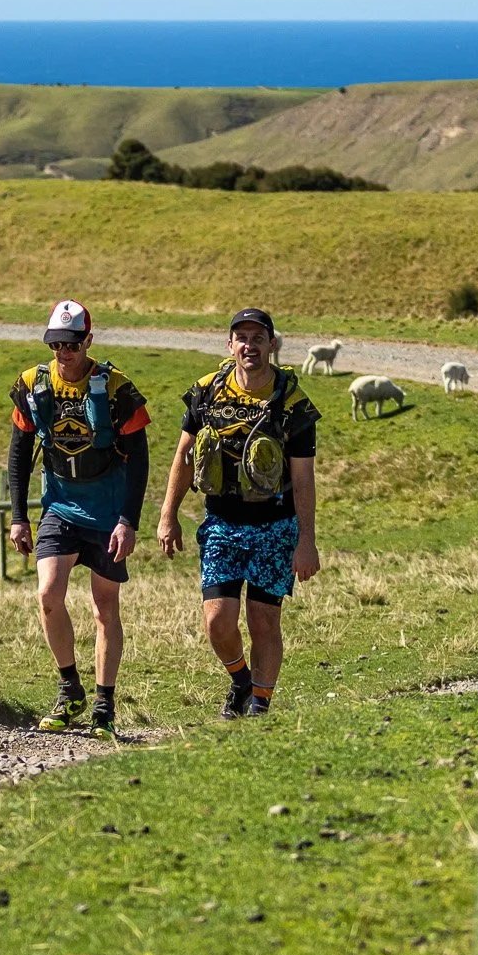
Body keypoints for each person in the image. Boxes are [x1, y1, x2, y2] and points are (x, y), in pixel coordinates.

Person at [157, 308, 321, 718]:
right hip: (221, 524)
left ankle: (260, 706)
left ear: (272, 345)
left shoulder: (293, 404)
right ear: (229, 345)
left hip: (275, 525)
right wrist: (168, 514)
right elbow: (183, 454)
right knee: (218, 622)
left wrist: (307, 541)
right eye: (241, 338)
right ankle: (241, 679)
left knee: (264, 621)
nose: (250, 346)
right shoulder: (206, 391)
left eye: (258, 338)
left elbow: (303, 479)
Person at [7, 300, 151, 740]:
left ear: (88, 340)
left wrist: (128, 520)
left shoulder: (118, 390)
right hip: (60, 506)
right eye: (55, 344)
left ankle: (104, 704)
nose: (63, 353)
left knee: (104, 607)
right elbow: (19, 452)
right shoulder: (33, 385)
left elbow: (141, 459)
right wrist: (19, 517)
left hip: (108, 512)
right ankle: (70, 689)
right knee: (48, 594)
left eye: (71, 344)